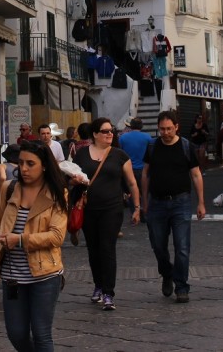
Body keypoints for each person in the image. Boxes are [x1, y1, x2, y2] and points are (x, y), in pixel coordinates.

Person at [0, 141, 68, 352]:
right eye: (20, 163)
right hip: (13, 277)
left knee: (41, 334)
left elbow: (57, 236)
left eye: (31, 163)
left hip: (46, 275)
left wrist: (20, 239)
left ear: (45, 165)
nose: (24, 169)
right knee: (17, 334)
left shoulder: (57, 193)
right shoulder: (9, 188)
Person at [70, 118, 140, 311]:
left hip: (112, 208)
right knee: (93, 249)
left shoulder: (120, 155)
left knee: (107, 248)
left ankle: (109, 292)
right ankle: (98, 285)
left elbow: (132, 183)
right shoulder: (82, 155)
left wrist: (137, 207)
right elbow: (70, 178)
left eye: (112, 131)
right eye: (105, 131)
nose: (110, 134)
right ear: (95, 134)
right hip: (89, 208)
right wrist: (74, 181)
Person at [142, 111, 206, 303]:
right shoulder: (152, 146)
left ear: (176, 127)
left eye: (169, 128)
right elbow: (145, 174)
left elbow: (196, 174)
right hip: (157, 203)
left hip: (181, 202)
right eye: (162, 129)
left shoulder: (186, 146)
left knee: (182, 247)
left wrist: (201, 202)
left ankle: (181, 286)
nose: (166, 132)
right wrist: (144, 201)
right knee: (158, 246)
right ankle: (167, 273)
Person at [118, 118, 150, 212]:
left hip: (129, 169)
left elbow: (121, 152)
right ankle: (145, 211)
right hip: (143, 169)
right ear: (141, 126)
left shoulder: (123, 137)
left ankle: (134, 212)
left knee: (132, 191)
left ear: (130, 126)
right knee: (144, 191)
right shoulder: (147, 137)